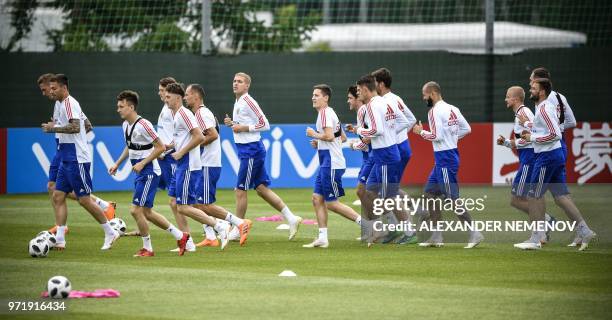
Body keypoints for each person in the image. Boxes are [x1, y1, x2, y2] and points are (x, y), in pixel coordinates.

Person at [515, 79, 596, 251]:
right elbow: (543, 127)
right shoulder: (544, 107)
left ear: (542, 91)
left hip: (547, 156)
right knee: (561, 197)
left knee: (533, 195)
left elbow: (555, 134)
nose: (530, 90)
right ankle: (584, 230)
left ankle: (536, 238)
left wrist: (532, 138)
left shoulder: (544, 108)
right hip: (555, 155)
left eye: (533, 88)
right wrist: (528, 124)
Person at [41, 74, 119, 250]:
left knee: (84, 200)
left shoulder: (70, 103)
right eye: (50, 88)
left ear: (64, 88)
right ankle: (60, 239)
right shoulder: (59, 104)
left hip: (77, 158)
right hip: (66, 156)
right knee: (58, 195)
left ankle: (110, 232)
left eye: (54, 88)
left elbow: (76, 126)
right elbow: (87, 125)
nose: (51, 91)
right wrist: (59, 128)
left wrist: (55, 128)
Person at [109, 90, 189, 257]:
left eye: (121, 106)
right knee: (147, 212)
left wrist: (143, 162)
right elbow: (130, 146)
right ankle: (181, 236)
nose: (118, 109)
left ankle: (148, 248)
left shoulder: (143, 124)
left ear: (131, 107)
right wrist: (117, 163)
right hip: (141, 171)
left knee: (135, 210)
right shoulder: (126, 125)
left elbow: (160, 147)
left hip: (149, 171)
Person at [223, 72, 302, 240]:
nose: (235, 83)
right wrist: (233, 124)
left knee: (240, 189)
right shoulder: (238, 101)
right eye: (234, 80)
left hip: (251, 150)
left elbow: (265, 124)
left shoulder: (249, 101)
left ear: (247, 86)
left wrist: (242, 128)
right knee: (261, 189)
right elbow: (244, 124)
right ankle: (291, 218)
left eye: (240, 81)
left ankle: (238, 228)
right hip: (248, 149)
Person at [412, 81, 484, 249]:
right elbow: (467, 129)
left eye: (424, 95)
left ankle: (474, 232)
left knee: (452, 198)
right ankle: (437, 236)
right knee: (429, 194)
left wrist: (420, 131)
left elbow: (436, 136)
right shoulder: (453, 109)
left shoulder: (434, 111)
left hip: (445, 159)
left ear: (432, 93)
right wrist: (452, 139)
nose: (424, 98)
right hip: (446, 157)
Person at [165, 83, 230, 255]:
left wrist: (180, 153)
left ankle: (220, 226)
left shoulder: (184, 114)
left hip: (188, 164)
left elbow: (200, 136)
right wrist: (169, 147)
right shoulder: (178, 114)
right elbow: (184, 138)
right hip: (182, 164)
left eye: (168, 97)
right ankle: (189, 242)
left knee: (184, 207)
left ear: (177, 98)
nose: (165, 100)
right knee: (174, 203)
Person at [184, 84, 252, 247]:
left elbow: (213, 135)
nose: (185, 98)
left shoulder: (201, 113)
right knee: (196, 203)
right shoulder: (200, 113)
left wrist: (194, 145)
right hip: (204, 163)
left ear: (196, 96)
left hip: (208, 163)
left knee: (204, 204)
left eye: (187, 94)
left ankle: (239, 223)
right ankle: (210, 236)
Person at [303, 84, 361, 248]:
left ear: (326, 98)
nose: (313, 98)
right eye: (313, 95)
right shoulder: (329, 112)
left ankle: (366, 226)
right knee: (317, 198)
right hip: (327, 162)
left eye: (317, 95)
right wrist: (319, 141)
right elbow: (341, 137)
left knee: (330, 202)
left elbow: (330, 136)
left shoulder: (325, 114)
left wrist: (315, 135)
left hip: (332, 163)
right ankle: (322, 238)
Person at [496, 86, 556, 243]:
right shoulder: (522, 113)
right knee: (526, 197)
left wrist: (508, 143)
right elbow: (526, 138)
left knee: (517, 199)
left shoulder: (523, 113)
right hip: (527, 159)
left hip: (529, 159)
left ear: (515, 99)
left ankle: (543, 225)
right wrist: (507, 143)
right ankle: (542, 228)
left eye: (508, 96)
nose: (505, 99)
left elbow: (532, 136)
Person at [372, 67, 419, 245]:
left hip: (395, 148)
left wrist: (395, 136)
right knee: (384, 190)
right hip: (399, 147)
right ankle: (398, 225)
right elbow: (411, 119)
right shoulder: (395, 98)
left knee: (386, 192)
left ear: (381, 84)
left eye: (374, 82)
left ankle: (408, 229)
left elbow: (408, 121)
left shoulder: (384, 102)